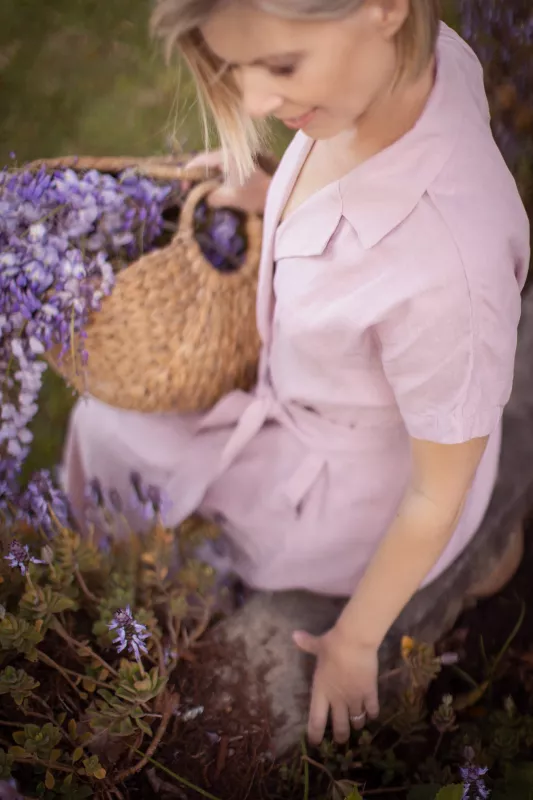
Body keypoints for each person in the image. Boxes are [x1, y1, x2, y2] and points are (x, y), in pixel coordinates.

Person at [62, 0, 530, 747]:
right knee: (111, 423)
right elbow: (347, 211)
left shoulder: (445, 269)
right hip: (334, 414)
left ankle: (116, 588)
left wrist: (352, 643)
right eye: (236, 67)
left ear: (383, 9)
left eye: (279, 66)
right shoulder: (407, 64)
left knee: (106, 427)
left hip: (357, 500)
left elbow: (433, 488)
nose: (252, 101)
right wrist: (274, 191)